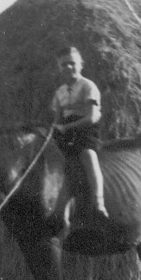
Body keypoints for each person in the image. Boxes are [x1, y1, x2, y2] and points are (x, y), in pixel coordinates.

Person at [50, 46, 109, 221]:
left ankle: (99, 203)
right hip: (65, 131)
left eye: (72, 63)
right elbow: (58, 119)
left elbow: (91, 117)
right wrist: (55, 129)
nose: (68, 67)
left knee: (88, 156)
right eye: (63, 65)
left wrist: (66, 128)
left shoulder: (88, 86)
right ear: (59, 68)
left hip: (85, 131)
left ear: (80, 65)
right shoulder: (59, 92)